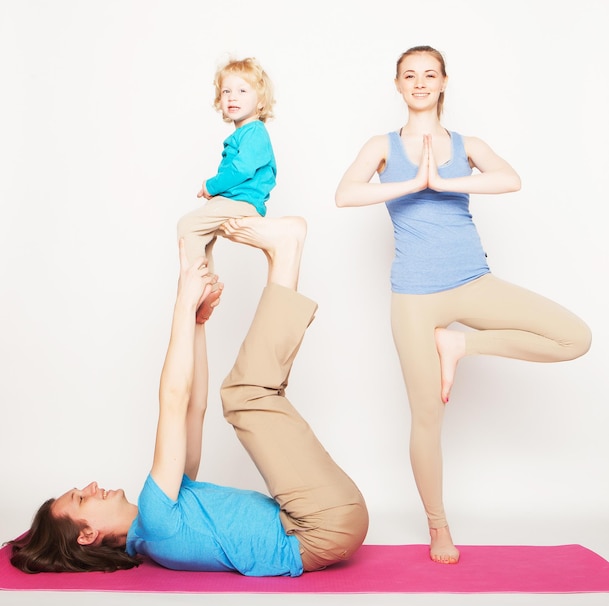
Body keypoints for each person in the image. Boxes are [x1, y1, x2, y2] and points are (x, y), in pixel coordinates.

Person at [334, 45, 591, 565]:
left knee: (575, 338)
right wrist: (413, 182)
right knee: (426, 417)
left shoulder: (465, 144)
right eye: (411, 75)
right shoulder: (381, 146)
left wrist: (445, 180)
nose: (421, 82)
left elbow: (510, 179)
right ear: (398, 84)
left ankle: (461, 344)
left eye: (430, 74)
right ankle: (439, 527)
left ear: (445, 81)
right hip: (413, 296)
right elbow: (344, 194)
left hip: (473, 280)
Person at [9, 216, 368, 576]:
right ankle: (286, 252)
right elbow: (174, 399)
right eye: (82, 498)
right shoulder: (155, 519)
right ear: (87, 535)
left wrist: (197, 322)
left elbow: (193, 409)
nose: (91, 487)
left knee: (252, 395)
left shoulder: (167, 512)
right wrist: (182, 302)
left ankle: (282, 258)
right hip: (320, 526)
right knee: (247, 395)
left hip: (324, 520)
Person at [177, 57, 277, 274]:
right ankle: (206, 283)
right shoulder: (244, 133)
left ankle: (198, 285)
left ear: (260, 101)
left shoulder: (255, 131)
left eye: (242, 91)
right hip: (234, 199)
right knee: (200, 235)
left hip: (244, 202)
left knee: (187, 226)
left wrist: (211, 186)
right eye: (226, 91)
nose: (233, 97)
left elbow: (242, 169)